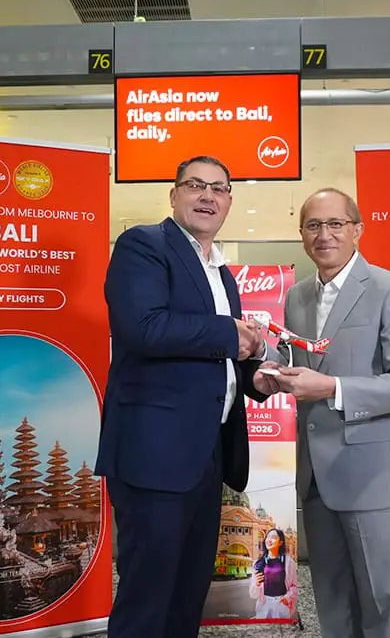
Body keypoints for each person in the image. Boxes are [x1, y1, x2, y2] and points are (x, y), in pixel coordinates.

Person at [95, 155, 276, 638]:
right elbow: (142, 327)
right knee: (148, 596)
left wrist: (254, 377)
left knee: (187, 591)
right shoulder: (143, 244)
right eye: (195, 185)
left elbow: (216, 355)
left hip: (206, 453)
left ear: (230, 201)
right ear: (174, 195)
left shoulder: (222, 272)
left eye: (220, 188)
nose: (208, 196)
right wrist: (233, 336)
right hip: (154, 455)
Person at [258, 187, 390, 638]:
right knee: (333, 603)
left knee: (383, 604)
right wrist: (271, 372)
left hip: (374, 476)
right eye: (314, 225)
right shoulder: (297, 297)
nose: (325, 234)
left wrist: (332, 387)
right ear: (301, 235)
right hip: (316, 476)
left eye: (336, 224)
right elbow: (302, 362)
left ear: (357, 230)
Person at [249, 528, 298, 619]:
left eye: (274, 537)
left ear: (280, 542)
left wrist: (286, 599)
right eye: (267, 537)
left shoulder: (288, 562)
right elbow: (253, 594)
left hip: (281, 604)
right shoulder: (258, 563)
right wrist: (257, 584)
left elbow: (294, 586)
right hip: (264, 604)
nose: (269, 540)